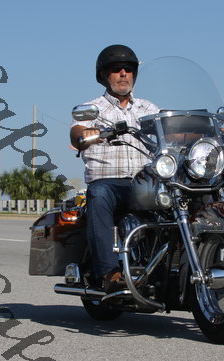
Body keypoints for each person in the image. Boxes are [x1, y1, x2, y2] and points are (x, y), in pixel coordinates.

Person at [70, 44, 159, 292]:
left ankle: (212, 260)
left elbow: (171, 130)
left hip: (145, 183)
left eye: (128, 69)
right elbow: (76, 131)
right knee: (98, 195)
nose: (123, 73)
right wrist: (85, 134)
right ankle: (110, 272)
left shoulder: (148, 109)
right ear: (104, 75)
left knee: (184, 193)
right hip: (109, 183)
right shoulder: (93, 108)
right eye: (116, 69)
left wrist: (201, 131)